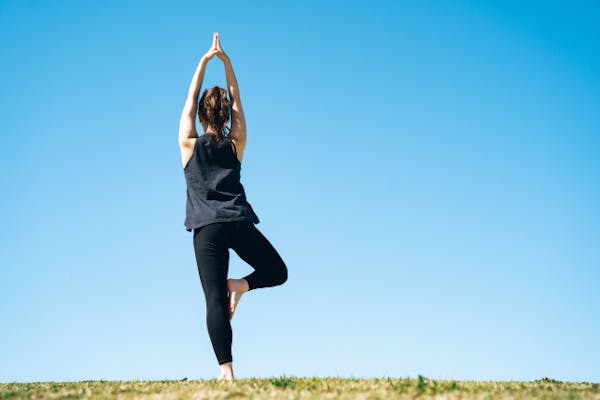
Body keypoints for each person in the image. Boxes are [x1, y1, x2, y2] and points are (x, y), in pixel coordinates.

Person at [178, 32, 288, 381]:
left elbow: (190, 96)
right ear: (226, 114)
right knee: (276, 270)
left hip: (206, 229)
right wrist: (226, 63)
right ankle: (241, 285)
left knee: (213, 299)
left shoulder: (188, 144)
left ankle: (226, 371)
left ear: (200, 114)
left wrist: (202, 63)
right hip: (236, 221)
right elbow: (237, 98)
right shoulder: (236, 142)